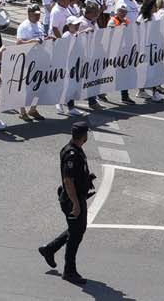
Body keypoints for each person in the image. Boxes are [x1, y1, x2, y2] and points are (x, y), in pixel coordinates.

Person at [39, 120, 94, 286]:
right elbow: (68, 180)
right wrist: (76, 204)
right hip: (72, 199)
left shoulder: (74, 149)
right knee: (76, 234)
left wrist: (86, 179)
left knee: (76, 229)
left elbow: (74, 177)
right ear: (84, 136)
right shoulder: (72, 154)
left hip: (76, 196)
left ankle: (49, 249)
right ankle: (69, 271)